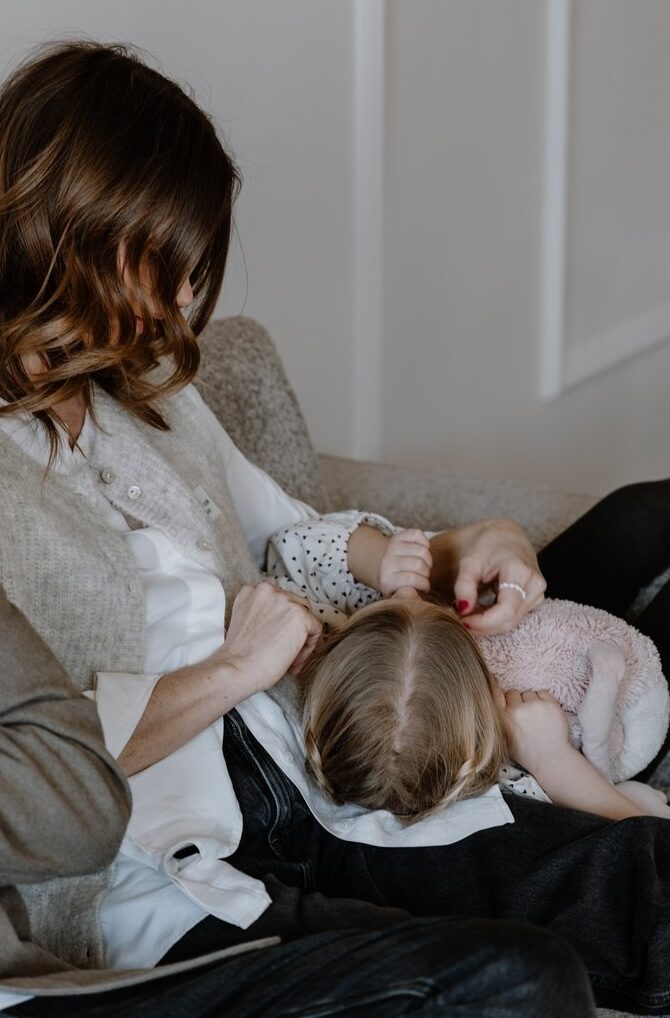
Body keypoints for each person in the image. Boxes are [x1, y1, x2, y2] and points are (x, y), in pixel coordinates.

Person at [0, 39, 665, 1014]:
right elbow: (40, 770)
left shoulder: (155, 402)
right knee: (534, 968)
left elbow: (296, 533)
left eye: (196, 269)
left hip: (312, 745)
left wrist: (460, 547)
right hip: (174, 852)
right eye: (169, 264)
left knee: (652, 523)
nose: (187, 301)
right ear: (71, 231)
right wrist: (231, 669)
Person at [267, 512, 669, 822]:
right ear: (489, 696)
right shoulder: (507, 787)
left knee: (644, 514)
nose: (414, 589)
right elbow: (639, 834)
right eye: (430, 604)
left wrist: (380, 561)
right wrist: (551, 758)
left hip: (556, 633)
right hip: (621, 725)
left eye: (388, 602)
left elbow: (291, 546)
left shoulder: (317, 634)